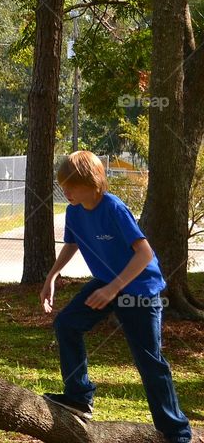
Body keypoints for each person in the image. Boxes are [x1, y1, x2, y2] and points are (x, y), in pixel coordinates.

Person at [40, 150, 193, 443]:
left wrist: (113, 288)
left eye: (71, 184)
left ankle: (178, 434)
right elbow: (71, 244)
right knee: (67, 325)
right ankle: (79, 397)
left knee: (149, 362)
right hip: (107, 283)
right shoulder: (74, 211)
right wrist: (52, 275)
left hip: (140, 289)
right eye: (63, 185)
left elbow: (144, 252)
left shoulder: (113, 208)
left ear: (93, 182)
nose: (66, 191)